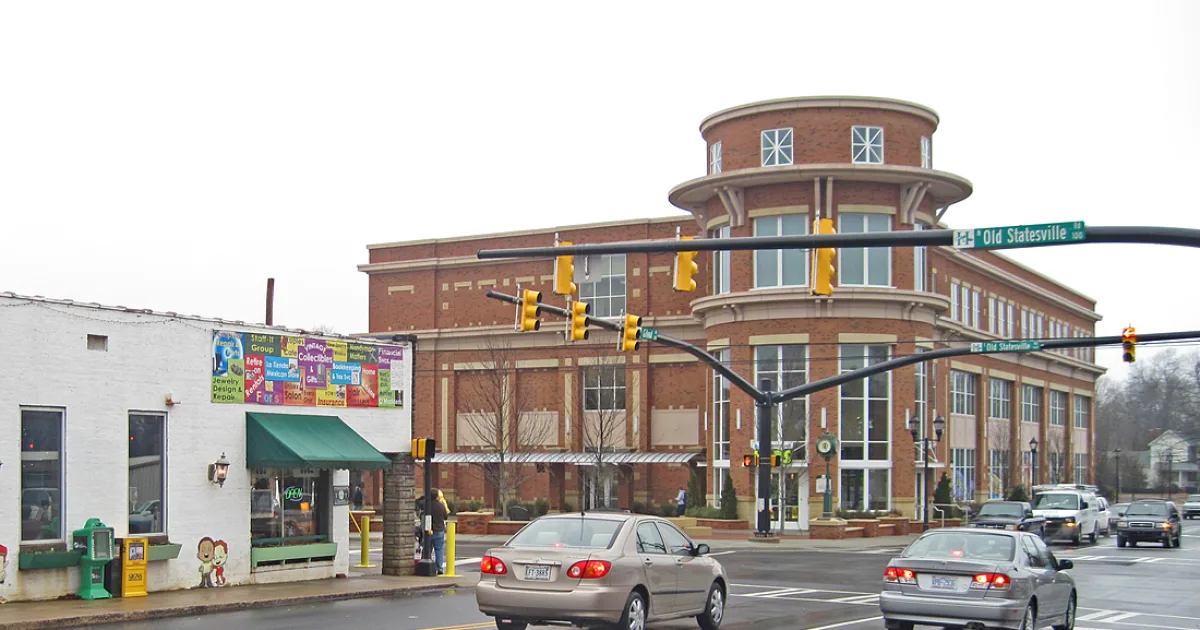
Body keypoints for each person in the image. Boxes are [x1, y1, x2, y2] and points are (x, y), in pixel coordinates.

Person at [428, 488, 450, 574]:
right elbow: (446, 517)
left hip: (429, 530)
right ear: (437, 496)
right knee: (439, 550)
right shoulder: (441, 505)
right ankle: (439, 568)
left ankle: (428, 566)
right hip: (439, 530)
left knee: (428, 550)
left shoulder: (427, 505)